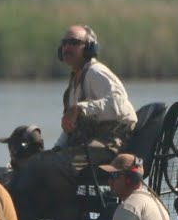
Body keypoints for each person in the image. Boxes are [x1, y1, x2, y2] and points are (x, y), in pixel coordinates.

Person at [54, 24, 137, 166]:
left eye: (73, 43)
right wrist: (56, 149)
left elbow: (118, 104)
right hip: (88, 144)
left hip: (113, 143)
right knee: (46, 162)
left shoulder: (95, 72)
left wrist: (80, 108)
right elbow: (70, 129)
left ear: (89, 48)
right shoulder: (74, 83)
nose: (67, 47)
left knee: (59, 166)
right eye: (64, 43)